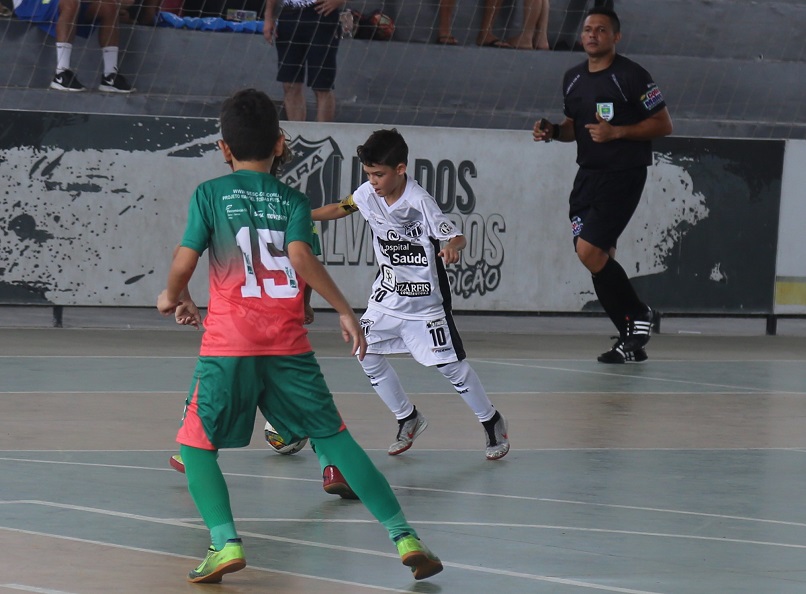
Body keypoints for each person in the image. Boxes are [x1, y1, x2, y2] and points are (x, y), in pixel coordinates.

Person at [157, 89, 443, 583]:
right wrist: (343, 309)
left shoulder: (209, 195)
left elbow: (185, 262)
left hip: (229, 344)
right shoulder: (293, 201)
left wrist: (173, 295)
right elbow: (301, 258)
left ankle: (224, 542)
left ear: (224, 148)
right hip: (287, 346)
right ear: (280, 143)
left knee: (195, 444)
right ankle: (404, 536)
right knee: (337, 439)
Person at [312, 129, 510, 461]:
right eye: (369, 174)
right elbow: (340, 208)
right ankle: (408, 417)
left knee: (452, 369)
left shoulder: (419, 202)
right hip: (387, 298)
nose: (373, 181)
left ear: (400, 169)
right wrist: (303, 214)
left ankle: (491, 420)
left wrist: (450, 248)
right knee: (365, 351)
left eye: (380, 174)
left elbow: (456, 236)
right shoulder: (366, 194)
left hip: (425, 304)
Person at [532, 6, 672, 363]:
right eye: (588, 29)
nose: (592, 34)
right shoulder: (573, 78)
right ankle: (630, 338)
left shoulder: (632, 75)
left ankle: (638, 315)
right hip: (587, 177)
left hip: (623, 174)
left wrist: (619, 132)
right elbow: (572, 127)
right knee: (598, 258)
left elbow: (663, 124)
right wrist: (552, 132)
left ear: (615, 37)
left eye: (601, 30)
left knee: (589, 252)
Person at [12, 0, 134, 92]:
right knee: (70, 2)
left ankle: (110, 76)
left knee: (109, 7)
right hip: (29, 3)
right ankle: (61, 74)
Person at [263, 0, 345, 122]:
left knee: (322, 85)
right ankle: (297, 134)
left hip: (321, 13)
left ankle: (322, 135)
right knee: (290, 83)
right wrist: (268, 17)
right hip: (289, 13)